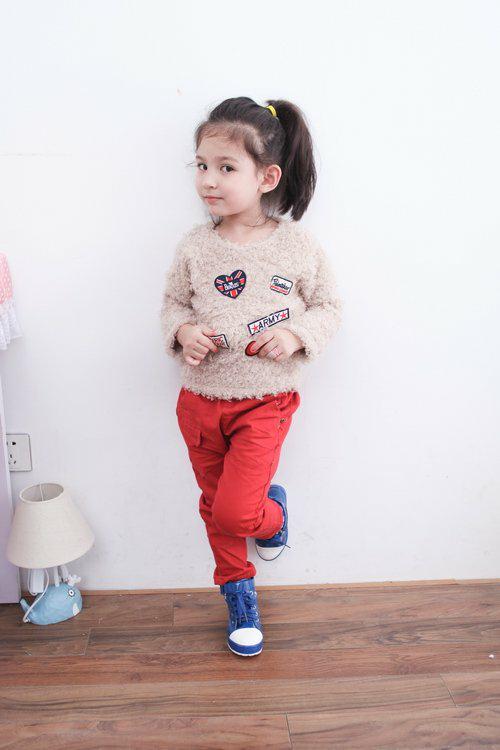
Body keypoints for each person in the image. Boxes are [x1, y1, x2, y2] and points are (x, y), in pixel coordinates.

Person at [160, 97, 343, 657]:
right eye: (201, 165)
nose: (208, 180)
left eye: (225, 167)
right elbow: (173, 304)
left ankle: (273, 514)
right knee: (214, 506)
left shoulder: (297, 246)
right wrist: (183, 332)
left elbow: (328, 307)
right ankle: (238, 593)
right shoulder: (195, 246)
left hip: (265, 401)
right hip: (199, 402)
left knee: (237, 510)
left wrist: (295, 335)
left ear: (267, 177)